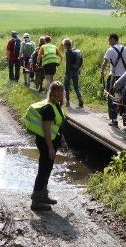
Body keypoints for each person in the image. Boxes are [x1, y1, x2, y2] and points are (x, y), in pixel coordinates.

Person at [27, 81, 69, 211]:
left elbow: (57, 125)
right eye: (56, 92)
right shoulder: (48, 108)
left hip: (52, 141)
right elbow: (46, 130)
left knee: (48, 168)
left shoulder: (56, 106)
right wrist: (50, 148)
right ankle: (36, 200)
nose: (59, 94)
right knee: (43, 169)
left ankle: (43, 195)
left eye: (61, 92)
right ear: (52, 92)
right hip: (46, 143)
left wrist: (62, 140)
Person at [101, 33, 126, 127]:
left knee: (111, 97)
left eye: (109, 40)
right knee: (125, 97)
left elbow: (105, 63)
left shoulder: (110, 50)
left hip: (114, 77)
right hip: (125, 77)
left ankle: (114, 120)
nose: (108, 42)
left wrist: (101, 72)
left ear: (113, 39)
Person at [62, 38, 84, 108]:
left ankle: (67, 102)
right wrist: (78, 69)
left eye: (64, 45)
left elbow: (68, 64)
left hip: (69, 72)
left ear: (66, 45)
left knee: (66, 87)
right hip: (76, 71)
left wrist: (66, 73)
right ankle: (80, 100)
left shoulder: (68, 52)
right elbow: (80, 61)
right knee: (76, 87)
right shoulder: (76, 51)